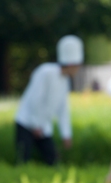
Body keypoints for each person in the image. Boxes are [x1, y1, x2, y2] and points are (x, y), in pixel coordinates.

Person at [14, 35, 84, 165]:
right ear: (71, 64)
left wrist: (66, 134)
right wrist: (35, 124)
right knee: (23, 160)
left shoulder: (65, 82)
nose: (78, 69)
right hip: (26, 123)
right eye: (78, 65)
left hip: (43, 127)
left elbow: (63, 109)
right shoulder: (45, 72)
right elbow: (35, 99)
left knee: (52, 161)